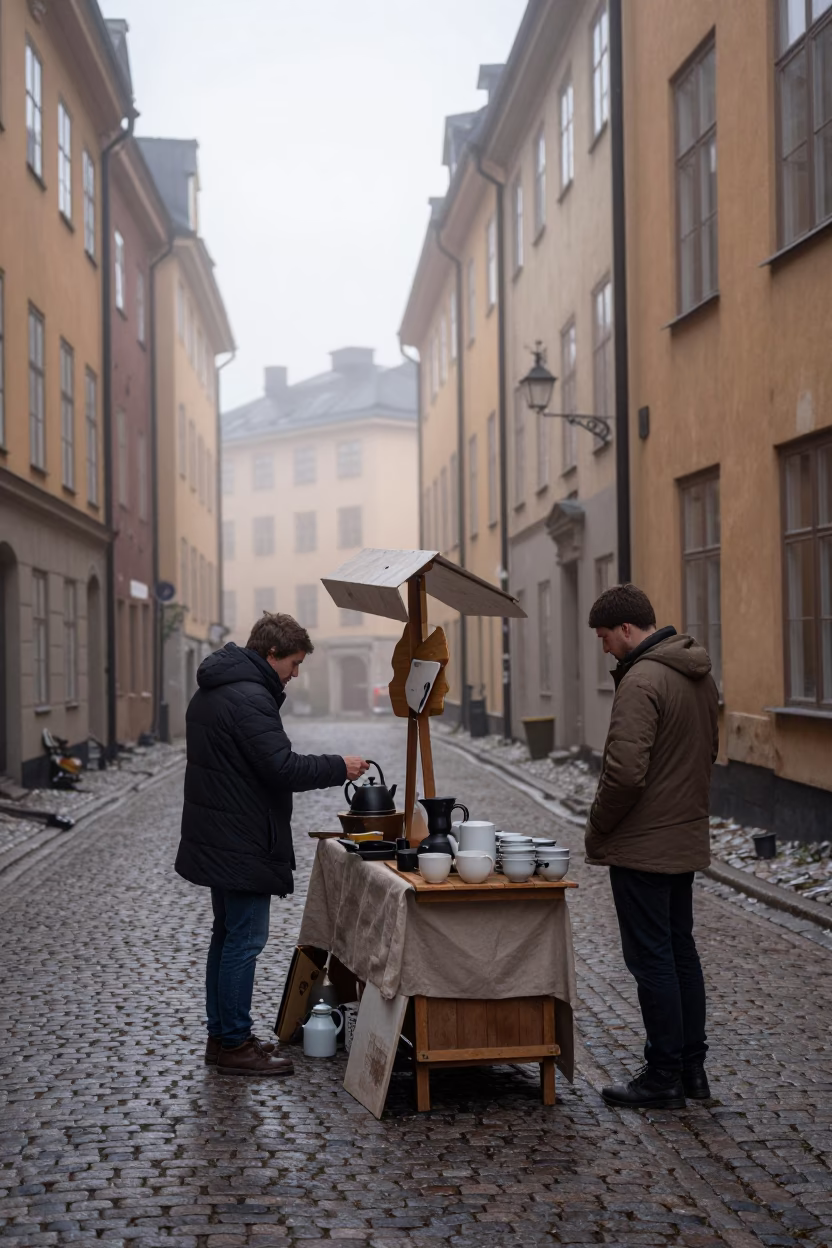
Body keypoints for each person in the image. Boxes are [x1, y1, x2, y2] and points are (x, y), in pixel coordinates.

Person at [175, 612, 369, 1076]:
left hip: (221, 832)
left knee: (227, 937)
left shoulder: (218, 687)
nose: (296, 674)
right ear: (271, 654)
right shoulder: (250, 698)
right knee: (245, 940)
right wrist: (337, 766)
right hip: (241, 836)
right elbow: (280, 767)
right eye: (294, 663)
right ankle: (234, 1044)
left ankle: (223, 1036)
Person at [586, 583, 719, 1110]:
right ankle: (692, 1071)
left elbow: (624, 774)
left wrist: (598, 824)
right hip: (683, 833)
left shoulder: (641, 680)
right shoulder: (700, 675)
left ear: (626, 629)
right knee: (681, 951)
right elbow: (709, 750)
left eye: (604, 638)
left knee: (653, 960)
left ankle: (662, 1076)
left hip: (643, 842)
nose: (604, 650)